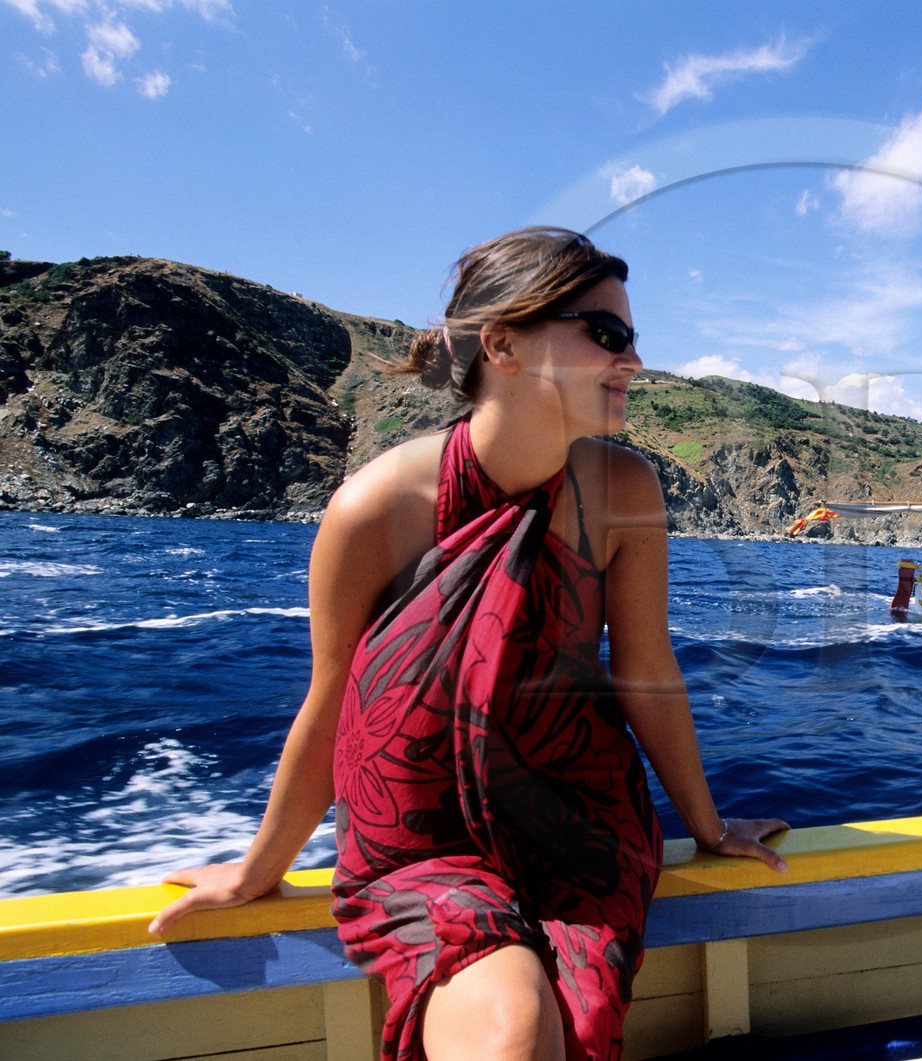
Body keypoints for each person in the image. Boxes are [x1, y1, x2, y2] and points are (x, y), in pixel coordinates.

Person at [147, 227, 789, 1061]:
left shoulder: (625, 491)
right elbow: (334, 701)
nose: (632, 360)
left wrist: (705, 824)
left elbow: (646, 671)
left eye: (634, 338)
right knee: (512, 1026)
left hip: (578, 824)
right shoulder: (373, 510)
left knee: (566, 1014)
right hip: (420, 834)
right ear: (502, 344)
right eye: (607, 333)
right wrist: (258, 866)